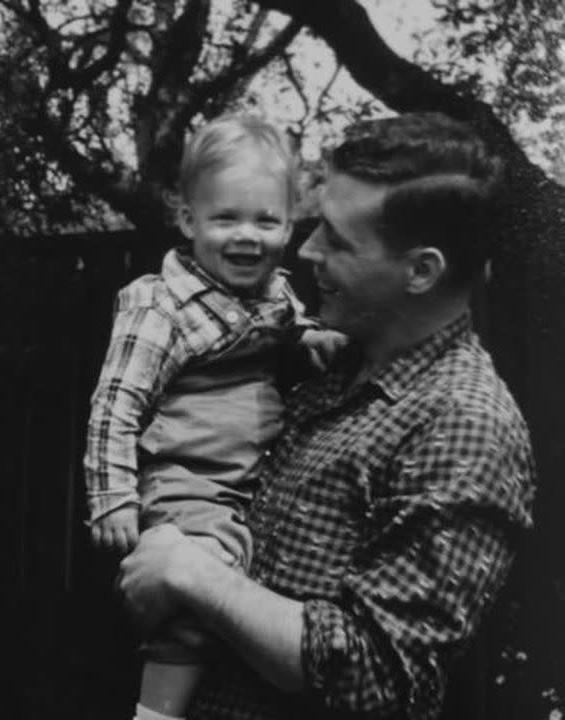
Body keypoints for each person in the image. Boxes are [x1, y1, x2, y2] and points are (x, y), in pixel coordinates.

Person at [118, 112, 535, 720]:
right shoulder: (327, 361)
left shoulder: (465, 426)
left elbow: (380, 679)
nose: (305, 248)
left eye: (337, 240)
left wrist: (195, 576)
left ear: (422, 270)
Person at [84, 113, 345, 720]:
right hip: (186, 477)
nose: (246, 236)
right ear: (188, 220)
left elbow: (291, 334)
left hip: (248, 478)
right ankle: (156, 714)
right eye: (225, 218)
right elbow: (115, 404)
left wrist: (312, 343)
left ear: (289, 224)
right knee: (197, 583)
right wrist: (114, 499)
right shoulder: (161, 305)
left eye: (265, 219)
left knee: (240, 592)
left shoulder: (277, 294)